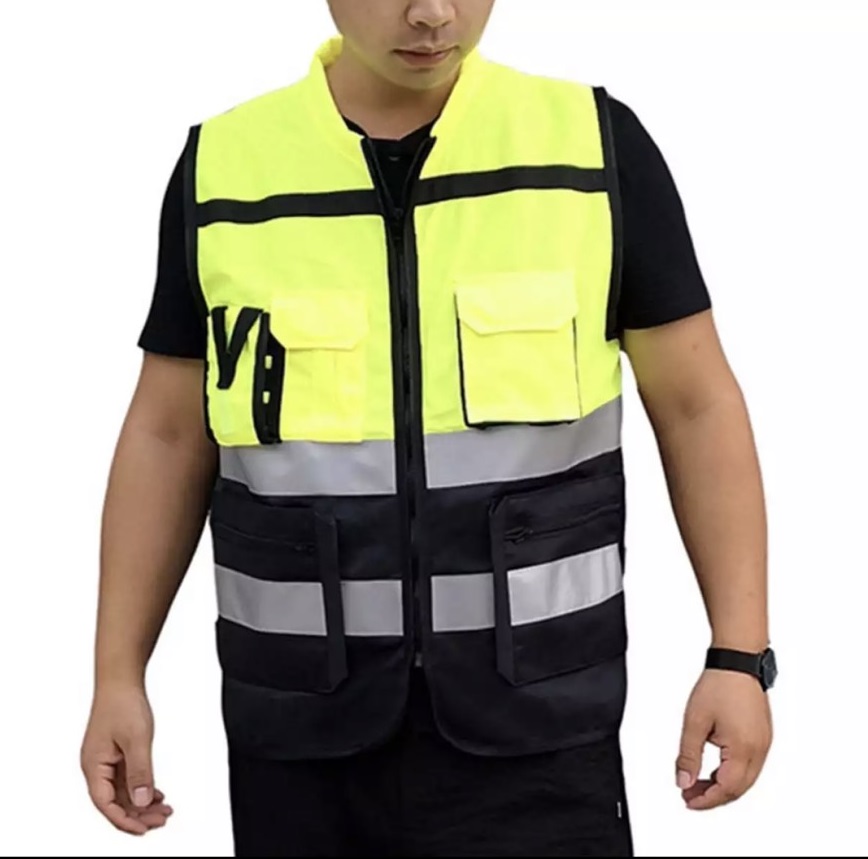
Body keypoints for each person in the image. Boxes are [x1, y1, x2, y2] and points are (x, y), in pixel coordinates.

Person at [80, 1, 775, 855]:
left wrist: (739, 655)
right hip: (300, 741)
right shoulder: (225, 169)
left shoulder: (591, 150)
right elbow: (167, 434)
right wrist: (117, 673)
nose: (433, 13)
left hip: (542, 733)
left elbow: (698, 405)